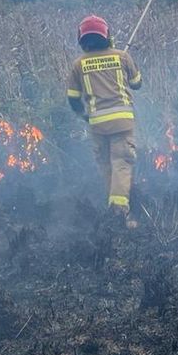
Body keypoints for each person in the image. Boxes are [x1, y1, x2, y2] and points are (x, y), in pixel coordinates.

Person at [66, 15, 142, 228]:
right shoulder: (122, 56)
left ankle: (114, 205)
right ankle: (119, 212)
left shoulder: (78, 64)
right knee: (121, 164)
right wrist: (124, 66)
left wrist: (84, 115)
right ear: (107, 36)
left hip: (97, 125)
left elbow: (73, 98)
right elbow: (137, 83)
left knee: (106, 165)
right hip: (122, 123)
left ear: (82, 39)